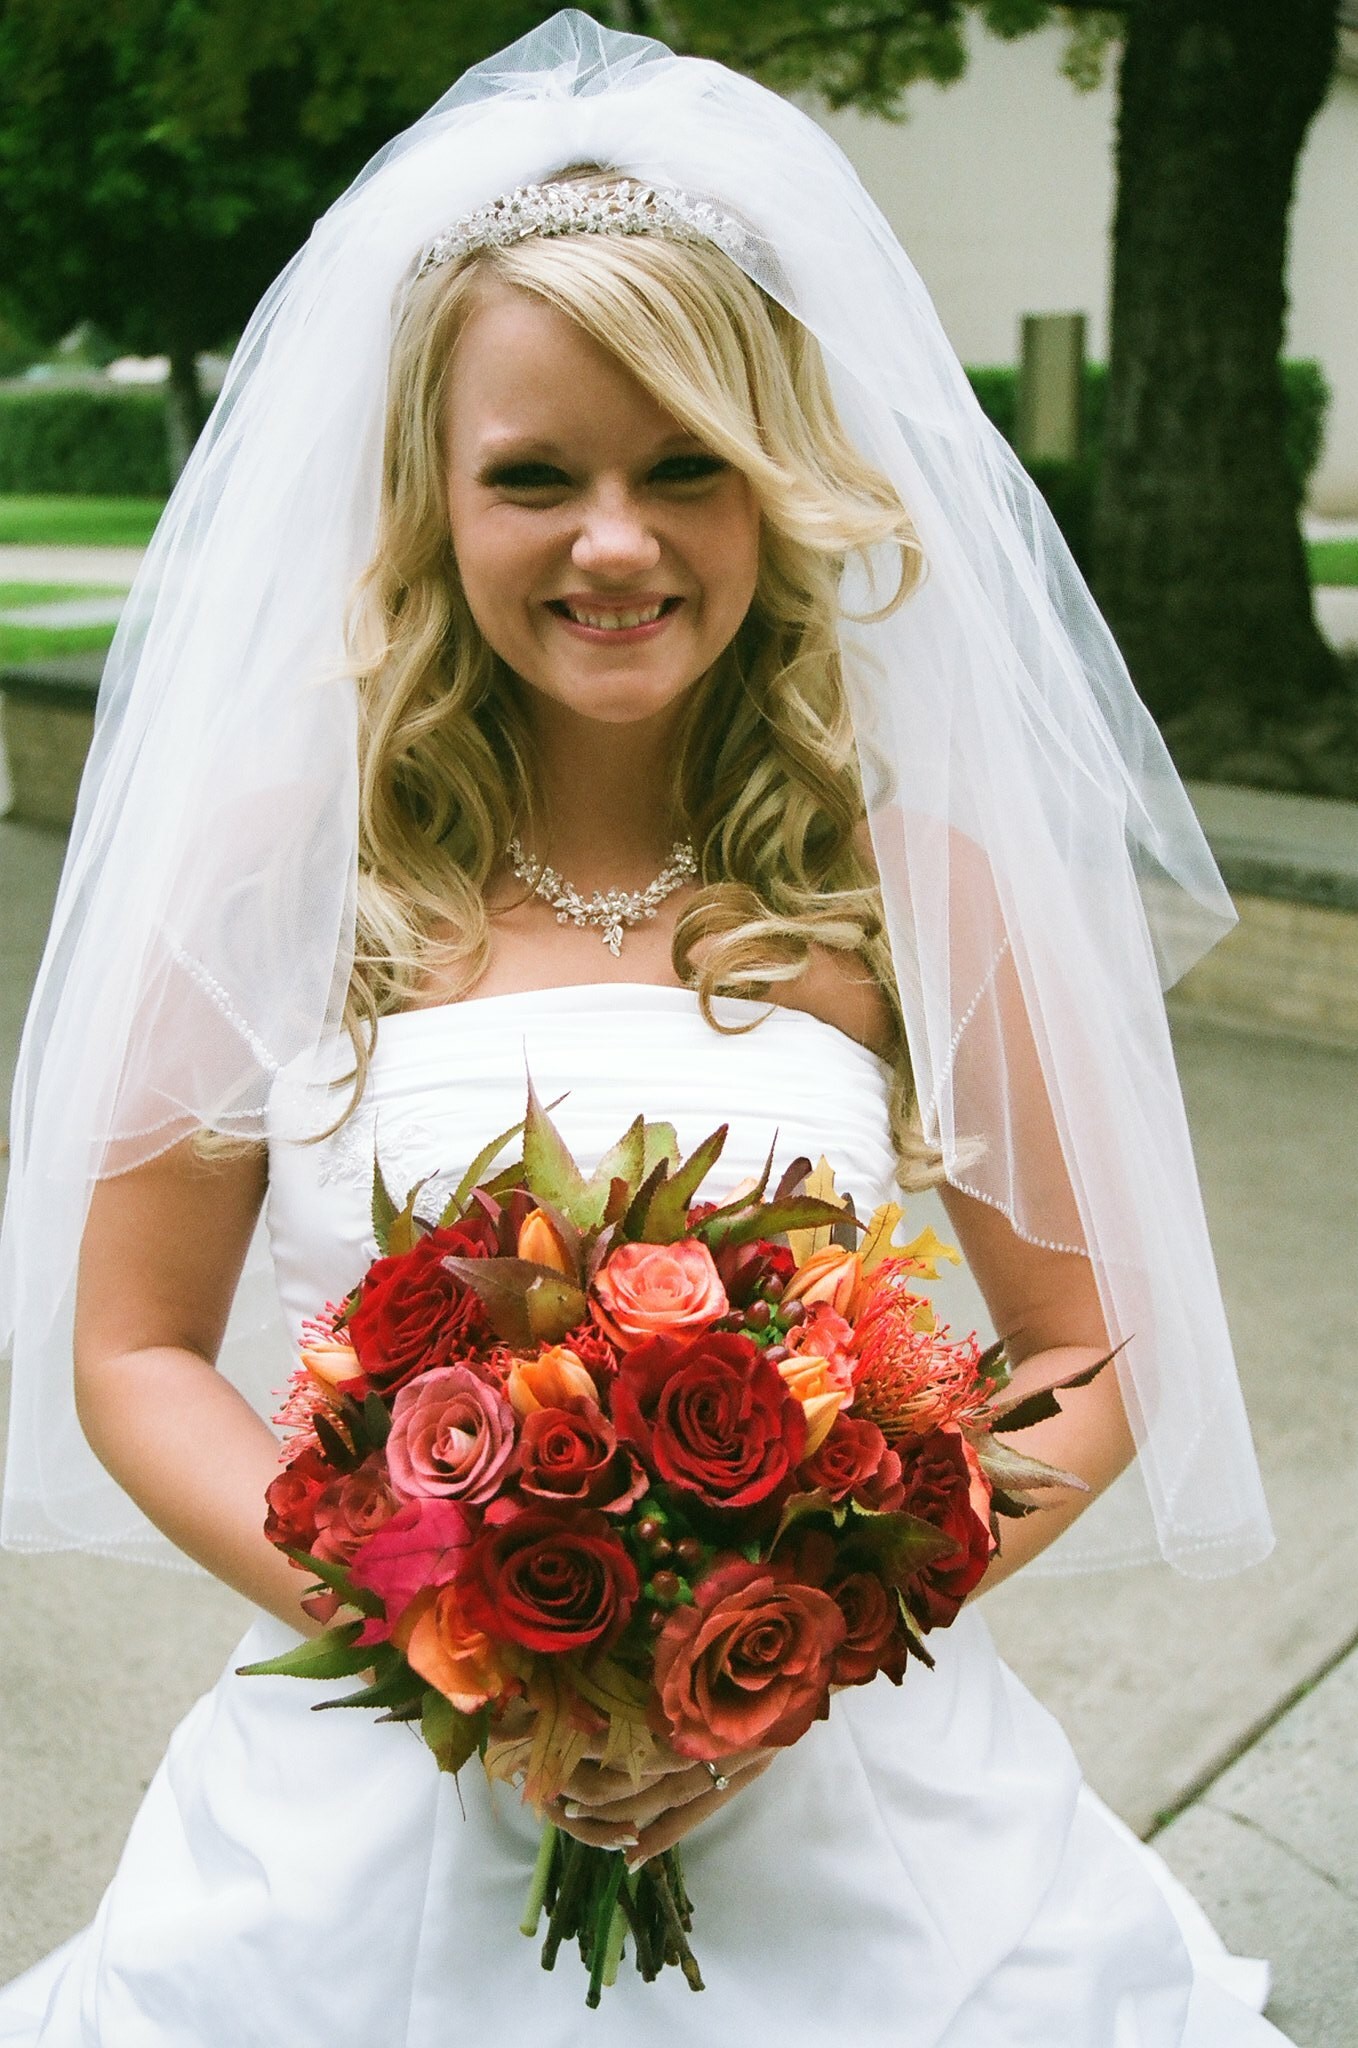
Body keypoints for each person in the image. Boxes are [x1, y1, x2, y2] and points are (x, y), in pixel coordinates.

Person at [0, 12, 1291, 2044]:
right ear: (433, 497)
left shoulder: (902, 871)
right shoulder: (284, 867)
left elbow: (1090, 1343)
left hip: (853, 1818)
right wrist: (443, 1633)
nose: (616, 538)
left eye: (684, 463)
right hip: (375, 1807)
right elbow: (130, 1344)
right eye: (535, 477)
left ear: (773, 484)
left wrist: (786, 1643)